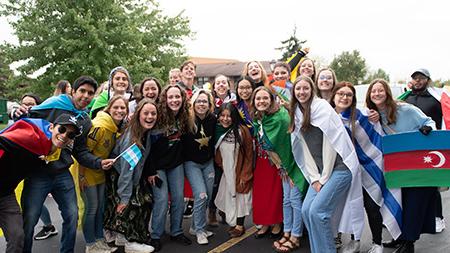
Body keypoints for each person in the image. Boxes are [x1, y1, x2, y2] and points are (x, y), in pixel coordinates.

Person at [14, 75, 114, 253]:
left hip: (62, 173)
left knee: (72, 215)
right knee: (29, 219)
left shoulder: (85, 120)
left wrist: (99, 162)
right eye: (82, 91)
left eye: (90, 93)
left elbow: (81, 152)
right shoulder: (54, 104)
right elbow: (24, 122)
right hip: (38, 174)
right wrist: (17, 112)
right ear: (73, 92)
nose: (86, 96)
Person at [289, 76, 364, 253]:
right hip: (321, 173)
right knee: (307, 211)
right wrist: (314, 178)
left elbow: (331, 145)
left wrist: (322, 179)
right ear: (293, 92)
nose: (302, 92)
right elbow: (304, 149)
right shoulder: (297, 113)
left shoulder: (322, 108)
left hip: (340, 168)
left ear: (312, 89)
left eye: (305, 88)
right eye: (298, 89)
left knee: (318, 212)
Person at [331, 82, 403, 253]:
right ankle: (354, 241)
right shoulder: (328, 117)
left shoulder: (363, 115)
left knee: (372, 207)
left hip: (370, 167)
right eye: (341, 93)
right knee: (351, 206)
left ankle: (377, 243)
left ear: (353, 98)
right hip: (344, 170)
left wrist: (375, 116)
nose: (344, 97)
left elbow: (375, 139)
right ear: (334, 96)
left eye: (348, 95)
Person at [366, 79, 436, 253]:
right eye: (373, 91)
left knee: (414, 203)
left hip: (416, 166)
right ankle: (400, 237)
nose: (376, 94)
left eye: (380, 90)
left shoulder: (405, 109)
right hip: (395, 168)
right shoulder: (372, 116)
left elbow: (429, 122)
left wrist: (428, 129)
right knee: (400, 202)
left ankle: (409, 242)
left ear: (387, 92)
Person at [0, 114, 81, 253]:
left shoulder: (45, 150)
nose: (65, 136)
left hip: (6, 194)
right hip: (12, 189)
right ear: (51, 127)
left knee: (17, 237)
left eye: (71, 135)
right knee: (29, 219)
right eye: (62, 129)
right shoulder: (30, 139)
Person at [103, 98, 157, 253]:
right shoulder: (131, 139)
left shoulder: (145, 132)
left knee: (143, 199)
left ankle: (122, 236)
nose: (150, 117)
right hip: (120, 177)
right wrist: (124, 197)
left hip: (131, 175)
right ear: (138, 115)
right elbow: (127, 170)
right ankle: (130, 242)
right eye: (146, 113)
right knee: (134, 203)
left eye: (153, 113)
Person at [79, 96, 128, 253]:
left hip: (100, 172)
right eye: (116, 107)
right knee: (91, 208)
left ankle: (100, 241)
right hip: (87, 173)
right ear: (109, 108)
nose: (119, 111)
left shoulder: (116, 128)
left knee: (100, 209)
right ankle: (90, 244)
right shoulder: (99, 126)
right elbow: (83, 152)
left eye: (123, 108)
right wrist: (81, 177)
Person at [148, 84, 194, 252]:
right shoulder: (158, 117)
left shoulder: (184, 117)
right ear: (165, 99)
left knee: (178, 197)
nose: (174, 100)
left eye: (177, 97)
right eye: (171, 97)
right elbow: (148, 148)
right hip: (158, 166)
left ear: (182, 98)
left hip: (175, 164)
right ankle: (155, 235)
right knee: (160, 200)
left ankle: (176, 231)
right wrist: (151, 170)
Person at [400, 68, 446, 234]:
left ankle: (438, 217)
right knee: (411, 184)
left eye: (421, 78)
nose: (418, 81)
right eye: (415, 78)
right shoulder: (406, 99)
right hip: (411, 148)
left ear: (427, 79)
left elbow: (445, 119)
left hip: (432, 145)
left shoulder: (436, 99)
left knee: (432, 182)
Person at [214, 103, 253, 238]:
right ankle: (232, 221)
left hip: (239, 170)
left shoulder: (242, 131)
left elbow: (249, 154)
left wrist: (245, 174)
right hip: (226, 171)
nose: (225, 119)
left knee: (240, 198)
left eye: (229, 116)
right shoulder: (218, 129)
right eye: (222, 115)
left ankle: (240, 225)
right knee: (227, 197)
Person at [182, 89, 216, 245]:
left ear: (209, 105)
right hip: (191, 163)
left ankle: (195, 227)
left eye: (205, 101)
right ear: (193, 103)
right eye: (199, 101)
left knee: (207, 195)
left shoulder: (213, 119)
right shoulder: (186, 120)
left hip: (208, 162)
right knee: (201, 195)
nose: (202, 104)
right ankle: (200, 231)